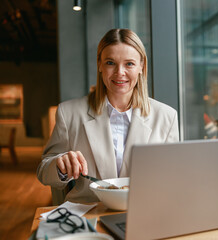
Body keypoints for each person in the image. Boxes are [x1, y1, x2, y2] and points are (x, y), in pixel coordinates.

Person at [37, 29, 179, 203]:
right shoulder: (69, 113)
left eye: (129, 64)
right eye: (111, 62)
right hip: (90, 214)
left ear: (142, 66)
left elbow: (174, 178)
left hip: (145, 213)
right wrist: (60, 166)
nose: (120, 72)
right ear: (99, 65)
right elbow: (44, 171)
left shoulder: (167, 117)